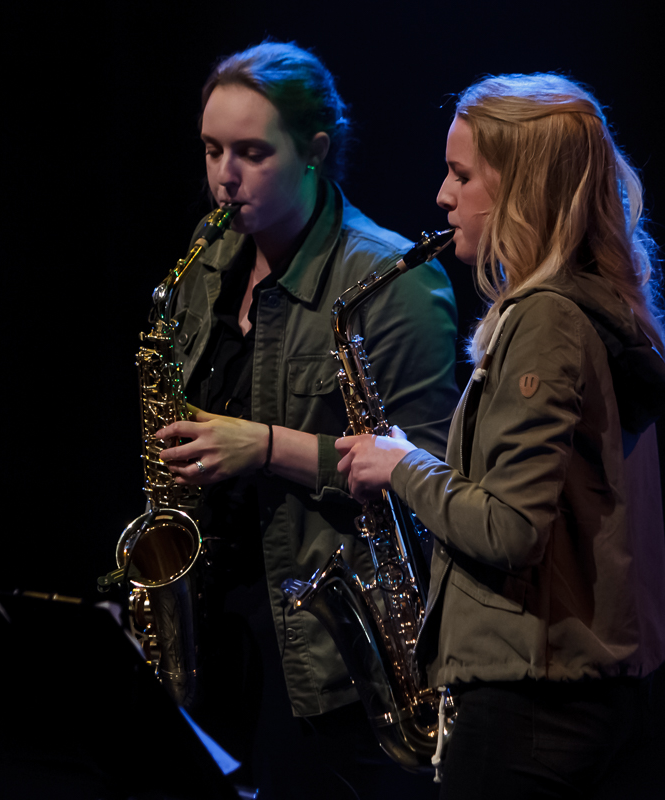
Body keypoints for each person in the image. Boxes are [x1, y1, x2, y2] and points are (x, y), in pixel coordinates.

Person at [336, 73, 665, 799]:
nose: (441, 195)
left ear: (523, 190)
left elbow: (512, 529)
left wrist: (401, 467)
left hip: (528, 705)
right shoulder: (598, 306)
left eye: (462, 175)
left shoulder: (546, 318)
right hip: (581, 700)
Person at [154, 42, 459, 799]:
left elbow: (429, 482)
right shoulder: (209, 254)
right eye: (212, 149)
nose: (224, 174)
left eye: (252, 153)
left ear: (315, 151)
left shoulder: (393, 281)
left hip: (326, 649)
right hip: (214, 617)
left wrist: (262, 448)